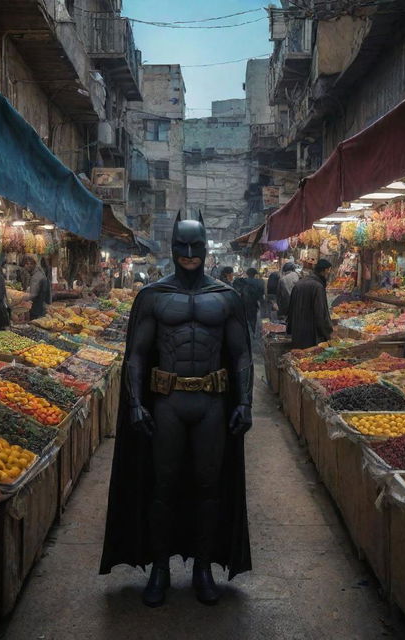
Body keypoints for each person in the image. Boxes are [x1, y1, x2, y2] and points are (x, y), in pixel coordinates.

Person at [100, 212, 252, 608]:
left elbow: (241, 356)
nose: (189, 254)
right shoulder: (153, 297)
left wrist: (246, 402)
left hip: (211, 403)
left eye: (195, 247)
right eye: (182, 247)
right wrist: (134, 403)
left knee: (209, 486)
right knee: (162, 485)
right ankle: (160, 569)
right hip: (166, 402)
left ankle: (203, 569)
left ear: (205, 248)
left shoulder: (225, 297)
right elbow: (135, 355)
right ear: (172, 248)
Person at [286, 259, 333, 349]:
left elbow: (290, 309)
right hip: (311, 335)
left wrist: (291, 329)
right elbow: (320, 314)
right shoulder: (318, 287)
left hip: (297, 331)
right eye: (329, 270)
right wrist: (327, 334)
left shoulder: (299, 283)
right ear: (325, 270)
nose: (329, 274)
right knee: (308, 359)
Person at [22, 255, 51, 320]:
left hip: (37, 310)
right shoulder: (40, 273)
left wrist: (21, 298)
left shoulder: (36, 277)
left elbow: (33, 295)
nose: (25, 267)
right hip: (42, 308)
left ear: (31, 264)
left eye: (26, 264)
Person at [241, 268, 265, 335]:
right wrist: (262, 303)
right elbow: (261, 293)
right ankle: (253, 331)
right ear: (255, 274)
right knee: (253, 319)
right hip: (254, 303)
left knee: (245, 318)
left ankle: (246, 332)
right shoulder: (260, 281)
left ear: (247, 274)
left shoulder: (243, 281)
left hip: (244, 303)